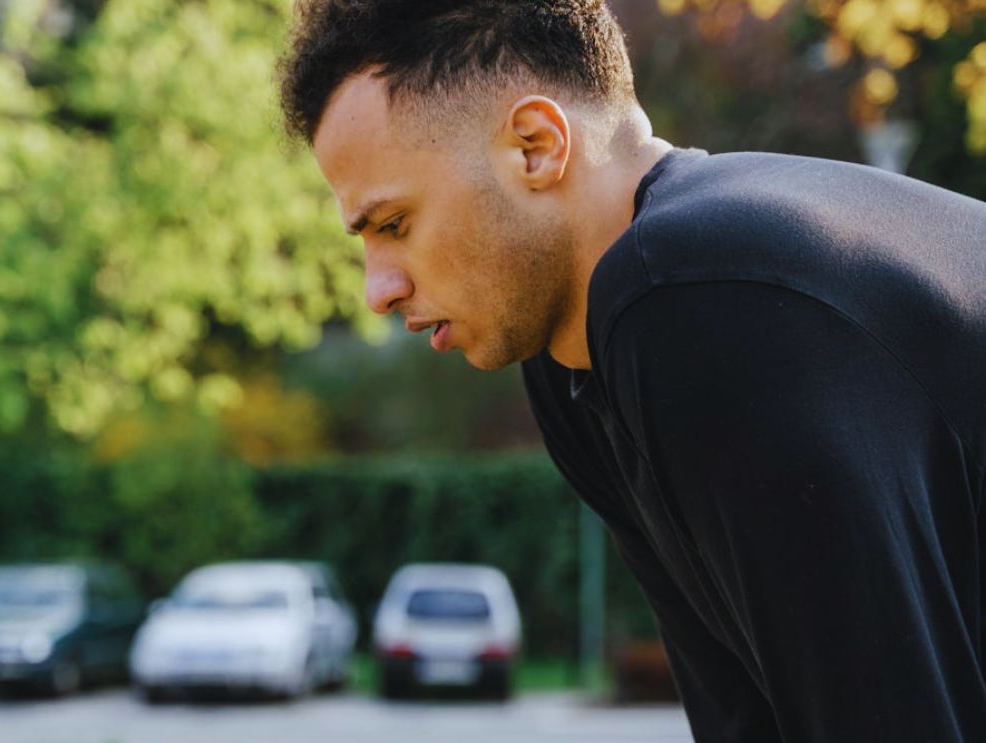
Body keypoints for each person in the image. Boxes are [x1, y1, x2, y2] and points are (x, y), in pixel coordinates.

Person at [277, 1, 986, 741]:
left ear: (535, 147)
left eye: (392, 225)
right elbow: (747, 716)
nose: (376, 289)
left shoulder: (696, 295)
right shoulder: (575, 358)